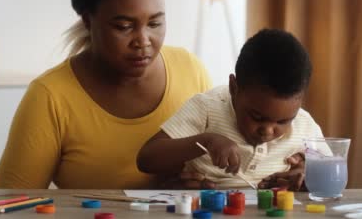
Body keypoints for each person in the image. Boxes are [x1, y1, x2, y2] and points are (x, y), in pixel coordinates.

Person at [0, 0, 213, 189]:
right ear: (87, 20)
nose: (143, 41)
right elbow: (9, 205)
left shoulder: (190, 71)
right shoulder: (50, 97)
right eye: (124, 27)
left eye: (154, 24)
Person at [137, 29, 325, 191]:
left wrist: (308, 173)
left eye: (283, 121)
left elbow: (332, 171)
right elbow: (147, 158)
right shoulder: (207, 108)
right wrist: (206, 141)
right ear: (234, 88)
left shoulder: (303, 123)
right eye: (257, 117)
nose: (268, 130)